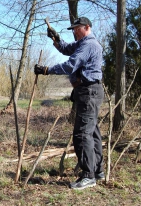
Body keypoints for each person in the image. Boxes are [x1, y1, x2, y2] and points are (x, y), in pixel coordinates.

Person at [34, 17, 104, 190]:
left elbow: (71, 64)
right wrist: (56, 39)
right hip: (88, 91)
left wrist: (46, 70)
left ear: (87, 27)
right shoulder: (82, 43)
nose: (74, 31)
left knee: (82, 134)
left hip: (89, 91)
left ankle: (88, 176)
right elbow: (66, 49)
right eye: (73, 29)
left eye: (77, 28)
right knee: (92, 132)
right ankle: (97, 170)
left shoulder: (89, 45)